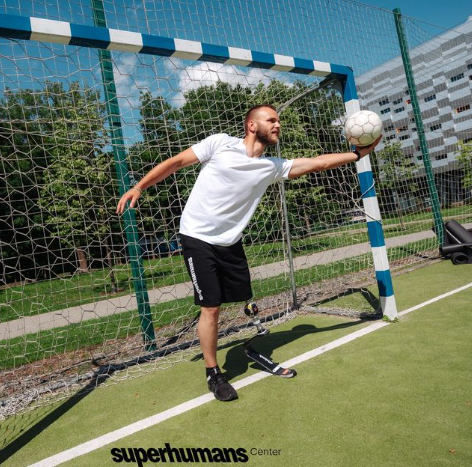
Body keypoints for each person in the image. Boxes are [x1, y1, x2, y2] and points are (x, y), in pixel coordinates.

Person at [116, 104, 381, 401]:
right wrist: (140, 186)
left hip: (230, 242)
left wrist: (358, 154)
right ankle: (214, 373)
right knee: (211, 307)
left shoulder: (272, 166)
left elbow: (318, 163)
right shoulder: (219, 144)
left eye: (278, 120)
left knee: (242, 296)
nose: (278, 124)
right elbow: (177, 161)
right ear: (252, 125)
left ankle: (242, 337)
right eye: (272, 120)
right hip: (197, 237)